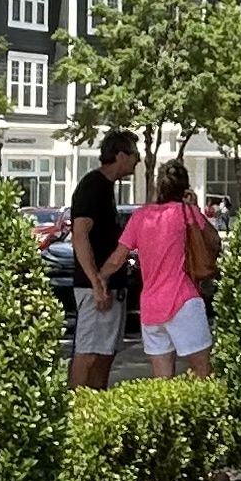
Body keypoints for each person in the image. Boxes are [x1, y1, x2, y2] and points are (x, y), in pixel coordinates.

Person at [122, 158, 222, 377]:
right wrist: (195, 208)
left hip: (151, 306)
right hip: (184, 299)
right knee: (202, 371)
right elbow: (214, 242)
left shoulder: (140, 216)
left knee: (162, 381)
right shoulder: (186, 212)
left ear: (160, 185)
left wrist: (98, 278)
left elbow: (118, 257)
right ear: (185, 187)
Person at [65, 129, 139, 388]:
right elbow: (80, 235)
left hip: (111, 286)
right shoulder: (93, 186)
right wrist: (97, 282)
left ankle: (96, 407)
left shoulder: (107, 188)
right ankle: (75, 409)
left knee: (106, 352)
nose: (138, 160)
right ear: (120, 155)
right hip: (95, 287)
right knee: (88, 353)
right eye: (134, 154)